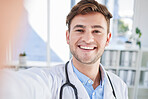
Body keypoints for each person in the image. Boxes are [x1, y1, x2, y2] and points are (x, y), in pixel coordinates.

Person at [0, 0, 128, 99]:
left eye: (96, 31)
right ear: (68, 37)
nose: (88, 39)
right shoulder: (50, 81)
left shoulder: (119, 86)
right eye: (79, 30)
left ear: (107, 39)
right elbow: (13, 87)